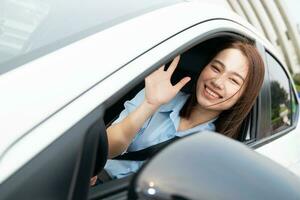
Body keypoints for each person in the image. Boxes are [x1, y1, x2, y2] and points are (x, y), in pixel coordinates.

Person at [93, 38, 265, 184]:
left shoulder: (215, 151)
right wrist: (150, 104)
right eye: (216, 68)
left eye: (234, 80)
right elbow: (106, 149)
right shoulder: (160, 93)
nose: (218, 82)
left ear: (244, 95)